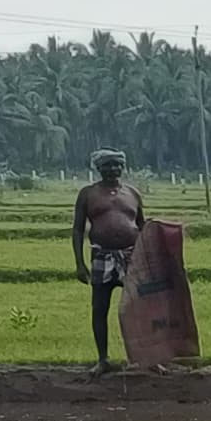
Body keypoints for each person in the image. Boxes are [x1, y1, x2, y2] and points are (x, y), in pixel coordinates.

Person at [71, 151, 145, 369]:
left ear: (123, 167)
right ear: (99, 168)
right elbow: (77, 230)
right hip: (102, 256)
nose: (113, 169)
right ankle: (103, 359)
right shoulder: (88, 194)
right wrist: (79, 263)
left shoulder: (132, 193)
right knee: (100, 308)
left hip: (131, 255)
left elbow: (142, 226)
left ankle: (144, 358)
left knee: (138, 309)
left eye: (117, 165)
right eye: (108, 165)